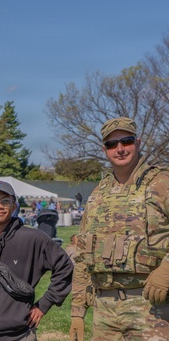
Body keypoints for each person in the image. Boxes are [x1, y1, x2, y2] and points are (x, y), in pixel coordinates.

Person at [70, 117, 169, 340]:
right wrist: (77, 311)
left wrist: (167, 270)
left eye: (127, 141)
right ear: (104, 149)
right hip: (104, 310)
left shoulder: (162, 183)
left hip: (151, 307)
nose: (120, 149)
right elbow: (83, 255)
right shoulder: (98, 193)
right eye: (112, 144)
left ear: (138, 142)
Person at [0, 180, 72, 340]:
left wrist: (44, 304)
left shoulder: (33, 238)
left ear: (14, 206)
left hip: (21, 334)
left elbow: (65, 267)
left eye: (5, 201)